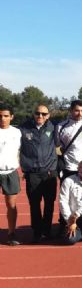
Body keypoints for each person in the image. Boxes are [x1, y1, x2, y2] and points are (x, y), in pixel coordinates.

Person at [20, 104, 57, 242]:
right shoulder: (23, 128)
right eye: (37, 113)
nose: (40, 116)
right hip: (33, 173)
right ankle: (37, 231)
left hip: (49, 172)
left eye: (43, 114)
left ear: (48, 115)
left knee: (49, 203)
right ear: (33, 113)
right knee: (34, 204)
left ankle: (47, 231)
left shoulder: (54, 127)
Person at [0, 104, 21, 245]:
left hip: (10, 172)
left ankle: (11, 233)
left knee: (11, 205)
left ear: (11, 117)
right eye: (0, 116)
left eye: (6, 116)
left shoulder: (17, 132)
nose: (3, 118)